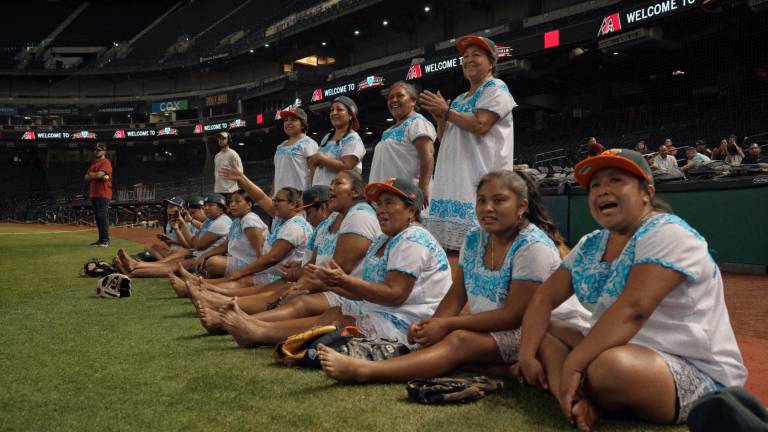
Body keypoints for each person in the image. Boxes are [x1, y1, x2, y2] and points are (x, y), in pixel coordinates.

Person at [517, 149, 746, 431]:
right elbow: (544, 298)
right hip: (615, 347)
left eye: (615, 180)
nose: (602, 191)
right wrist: (527, 355)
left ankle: (575, 384)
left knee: (607, 368)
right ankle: (575, 398)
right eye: (595, 185)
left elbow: (634, 310)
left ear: (646, 193)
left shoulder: (666, 231)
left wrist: (573, 364)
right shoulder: (592, 242)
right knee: (541, 329)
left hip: (689, 366)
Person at [317, 170, 588, 383]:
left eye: (499, 200)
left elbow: (514, 316)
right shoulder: (474, 238)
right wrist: (432, 325)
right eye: (481, 201)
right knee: (438, 339)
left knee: (458, 339)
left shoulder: (533, 246)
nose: (487, 208)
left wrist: (446, 326)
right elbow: (457, 294)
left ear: (521, 206)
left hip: (538, 330)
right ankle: (503, 369)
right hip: (498, 326)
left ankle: (366, 371)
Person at [217, 178, 450, 348]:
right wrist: (331, 282)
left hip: (411, 320)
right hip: (386, 308)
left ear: (411, 209)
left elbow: (396, 294)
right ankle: (255, 329)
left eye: (389, 203)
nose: (380, 210)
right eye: (378, 204)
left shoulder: (413, 238)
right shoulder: (383, 238)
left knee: (337, 318)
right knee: (332, 313)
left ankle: (255, 330)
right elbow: (365, 292)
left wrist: (340, 281)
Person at [192, 170, 381, 338]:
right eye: (331, 184)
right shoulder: (331, 220)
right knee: (283, 290)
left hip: (345, 291)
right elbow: (314, 263)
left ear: (356, 192)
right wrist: (299, 273)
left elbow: (338, 270)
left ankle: (240, 320)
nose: (332, 188)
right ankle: (225, 306)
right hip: (327, 285)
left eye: (338, 183)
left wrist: (300, 280)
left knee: (298, 299)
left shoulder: (359, 215)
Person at [419, 35, 517, 277]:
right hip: (452, 179)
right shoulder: (462, 98)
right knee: (449, 253)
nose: (469, 59)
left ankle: (478, 301)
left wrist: (447, 112)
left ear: (491, 62)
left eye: (476, 54)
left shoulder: (496, 88)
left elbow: (482, 124)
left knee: (478, 251)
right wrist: (440, 118)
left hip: (478, 179)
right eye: (465, 56)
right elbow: (445, 137)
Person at [115, 193, 232, 278]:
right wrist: (182, 223)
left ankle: (133, 269)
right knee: (164, 257)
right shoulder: (209, 221)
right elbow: (193, 242)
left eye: (210, 205)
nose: (206, 208)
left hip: (201, 256)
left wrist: (182, 224)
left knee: (173, 265)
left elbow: (194, 245)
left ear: (221, 209)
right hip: (198, 254)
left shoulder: (220, 222)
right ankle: (135, 266)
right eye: (205, 205)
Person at [369, 81, 436, 207]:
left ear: (413, 101)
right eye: (390, 98)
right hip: (386, 199)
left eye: (400, 96)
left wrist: (423, 188)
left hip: (408, 198)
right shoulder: (387, 131)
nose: (394, 100)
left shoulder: (417, 122)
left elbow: (428, 155)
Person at [194, 190, 268, 279]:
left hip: (252, 264)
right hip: (239, 260)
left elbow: (261, 253)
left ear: (249, 205)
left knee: (213, 263)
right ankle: (203, 280)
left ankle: (202, 281)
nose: (232, 204)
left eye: (237, 201)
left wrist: (245, 272)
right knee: (210, 261)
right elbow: (224, 247)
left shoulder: (250, 220)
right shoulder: (237, 221)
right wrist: (204, 255)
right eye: (231, 201)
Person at [309, 96, 366, 186]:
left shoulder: (353, 138)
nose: (334, 113)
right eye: (332, 110)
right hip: (320, 192)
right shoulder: (327, 137)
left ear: (351, 115)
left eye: (339, 110)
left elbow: (347, 167)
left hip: (340, 194)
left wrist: (321, 158)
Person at [274, 107, 318, 192]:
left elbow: (315, 172)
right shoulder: (280, 146)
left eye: (293, 120)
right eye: (286, 120)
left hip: (300, 198)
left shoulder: (309, 143)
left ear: (302, 124)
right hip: (281, 199)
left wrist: (312, 196)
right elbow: (277, 175)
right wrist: (273, 194)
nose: (288, 123)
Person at [84, 142, 113, 247]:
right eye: (95, 150)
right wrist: (95, 175)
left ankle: (105, 240)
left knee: (102, 215)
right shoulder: (94, 163)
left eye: (99, 150)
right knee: (98, 217)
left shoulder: (106, 162)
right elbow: (86, 177)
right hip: (94, 193)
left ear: (104, 151)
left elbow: (99, 175)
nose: (96, 151)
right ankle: (101, 239)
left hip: (103, 193)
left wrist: (94, 175)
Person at [213, 131, 243, 201]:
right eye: (219, 139)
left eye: (223, 138)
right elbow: (216, 173)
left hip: (230, 191)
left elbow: (240, 173)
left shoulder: (233, 154)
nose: (220, 140)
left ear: (229, 140)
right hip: (218, 191)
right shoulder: (217, 156)